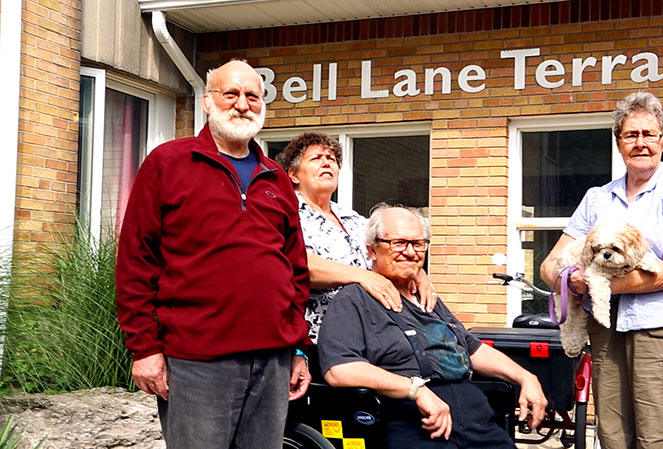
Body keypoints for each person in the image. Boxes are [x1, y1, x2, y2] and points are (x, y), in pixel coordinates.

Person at [116, 59, 310, 449]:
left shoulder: (276, 178)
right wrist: (145, 348)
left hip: (272, 360)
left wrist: (297, 347)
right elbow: (136, 260)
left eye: (252, 96)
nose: (242, 104)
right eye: (231, 94)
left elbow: (295, 270)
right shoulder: (169, 162)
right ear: (208, 102)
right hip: (197, 360)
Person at [540, 91, 663, 449]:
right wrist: (568, 279)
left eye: (649, 134)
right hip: (606, 328)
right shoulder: (597, 197)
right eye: (631, 135)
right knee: (612, 434)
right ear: (619, 142)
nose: (641, 143)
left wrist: (594, 286)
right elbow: (551, 264)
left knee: (658, 435)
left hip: (662, 326)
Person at [318, 204, 548, 449]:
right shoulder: (354, 299)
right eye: (398, 243)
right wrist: (415, 390)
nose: (410, 252)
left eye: (418, 244)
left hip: (475, 419)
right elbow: (339, 370)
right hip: (409, 419)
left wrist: (526, 377)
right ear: (372, 250)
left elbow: (472, 349)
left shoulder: (427, 297)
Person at [276, 132, 436, 344]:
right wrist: (363, 276)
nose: (326, 163)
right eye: (316, 158)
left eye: (331, 159)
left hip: (371, 332)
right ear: (294, 175)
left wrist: (416, 273)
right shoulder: (283, 213)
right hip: (317, 338)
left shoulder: (354, 218)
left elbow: (387, 251)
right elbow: (293, 263)